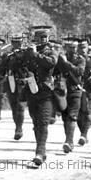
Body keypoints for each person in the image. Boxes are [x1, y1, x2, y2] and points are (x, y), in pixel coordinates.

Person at [24, 26, 58, 168]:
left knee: (43, 122)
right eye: (40, 38)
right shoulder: (29, 52)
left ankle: (39, 152)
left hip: (46, 92)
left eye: (45, 37)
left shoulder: (52, 51)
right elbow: (20, 66)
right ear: (35, 39)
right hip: (32, 91)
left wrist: (35, 54)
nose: (43, 40)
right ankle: (41, 152)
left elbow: (51, 63)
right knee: (36, 123)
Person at [55, 37, 85, 154]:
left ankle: (69, 141)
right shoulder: (60, 58)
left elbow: (79, 72)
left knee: (72, 116)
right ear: (65, 47)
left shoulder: (80, 59)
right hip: (62, 90)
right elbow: (55, 71)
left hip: (75, 90)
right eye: (70, 47)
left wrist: (66, 63)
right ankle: (68, 140)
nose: (73, 49)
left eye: (74, 47)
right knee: (65, 116)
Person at [5, 34, 29, 140]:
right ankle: (17, 126)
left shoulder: (26, 54)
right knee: (14, 107)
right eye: (14, 43)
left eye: (19, 42)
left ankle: (19, 129)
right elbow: (1, 68)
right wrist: (7, 57)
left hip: (23, 82)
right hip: (11, 82)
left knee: (20, 107)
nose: (17, 45)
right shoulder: (8, 55)